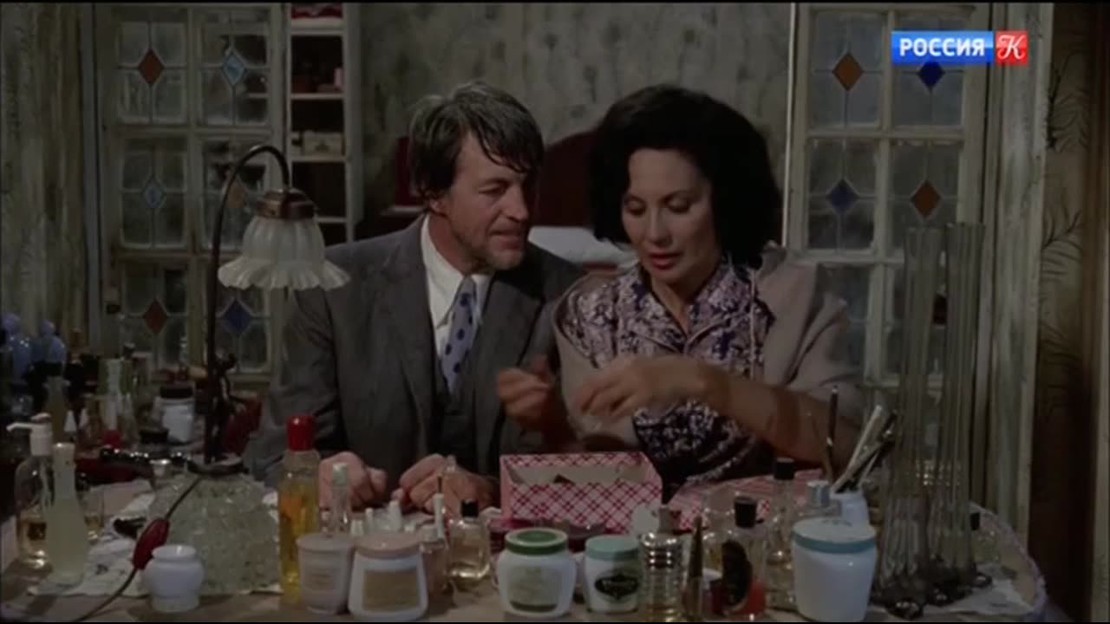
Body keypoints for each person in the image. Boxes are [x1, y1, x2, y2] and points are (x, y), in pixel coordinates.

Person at [497, 85, 863, 498]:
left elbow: (844, 444)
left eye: (678, 207)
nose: (655, 234)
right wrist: (553, 425)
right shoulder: (592, 315)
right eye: (636, 209)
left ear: (723, 201)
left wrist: (702, 381)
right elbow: (602, 481)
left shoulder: (792, 294)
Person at [247, 81, 582, 514]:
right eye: (495, 190)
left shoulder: (570, 298)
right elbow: (275, 457)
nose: (521, 210)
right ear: (433, 192)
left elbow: (592, 474)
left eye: (527, 185)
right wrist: (320, 476)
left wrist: (492, 491)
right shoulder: (333, 288)